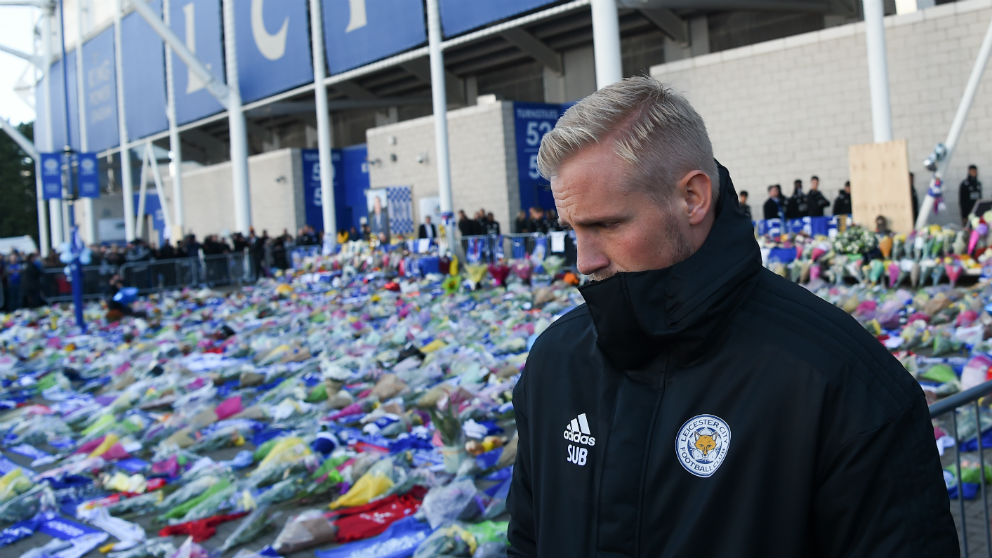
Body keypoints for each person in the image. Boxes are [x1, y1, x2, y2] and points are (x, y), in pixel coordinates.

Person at [507, 76, 957, 556]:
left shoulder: (841, 380)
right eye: (572, 228)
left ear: (693, 198)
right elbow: (527, 541)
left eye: (606, 225)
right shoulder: (555, 363)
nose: (584, 260)